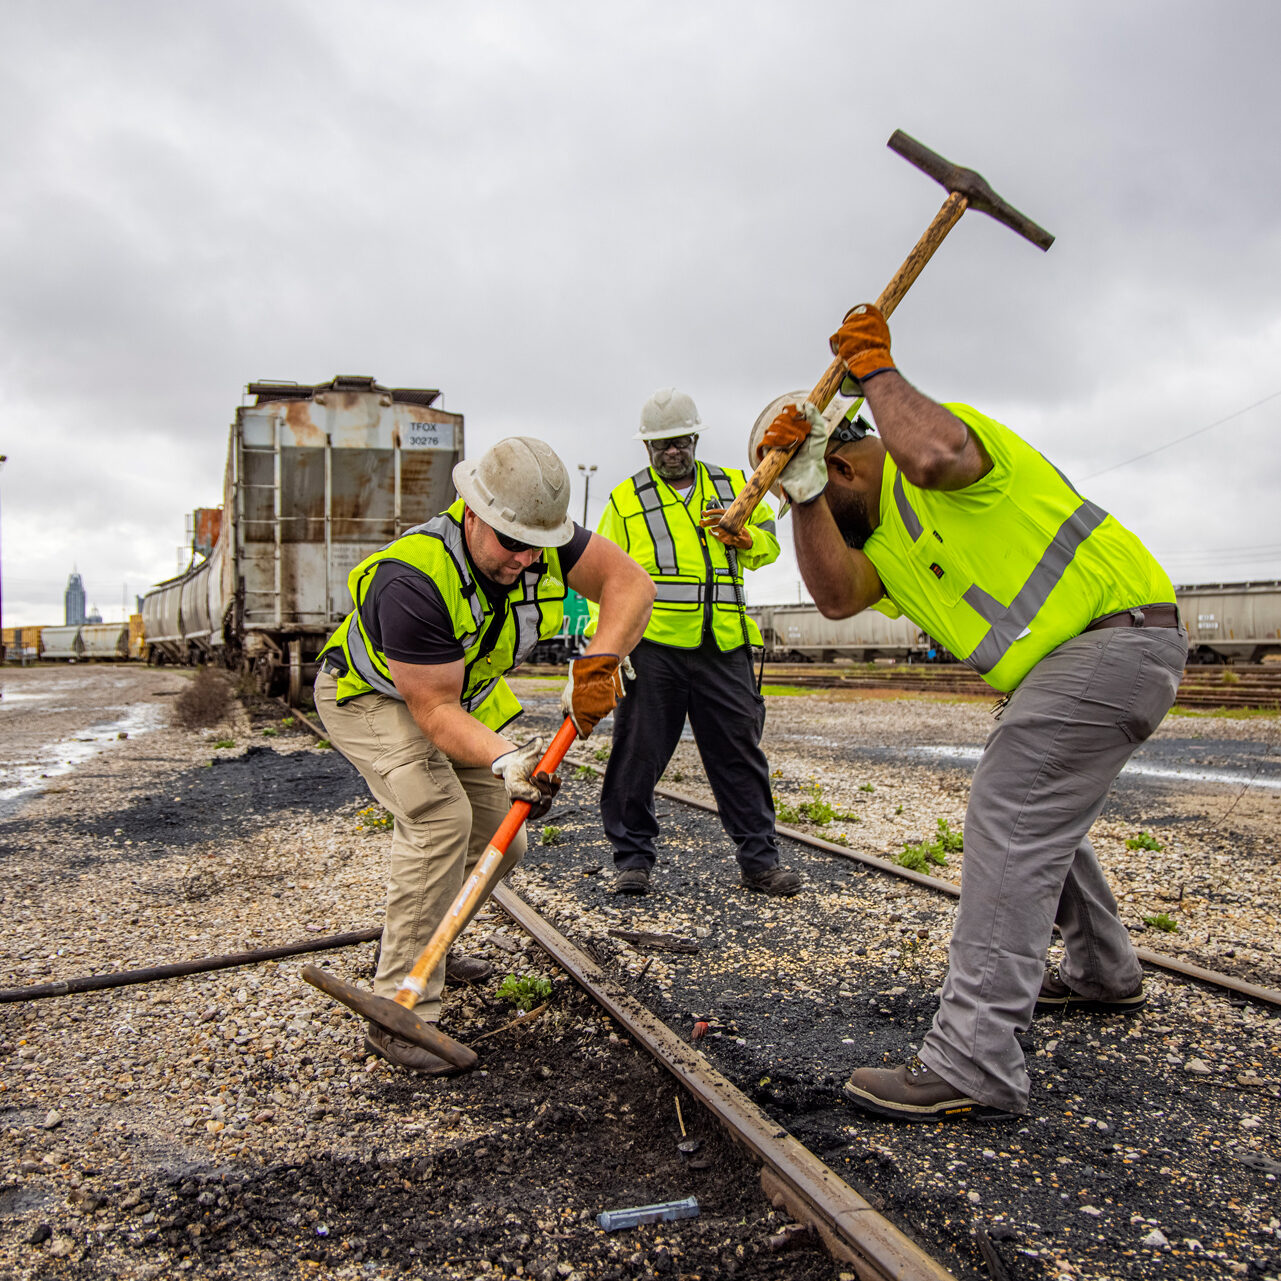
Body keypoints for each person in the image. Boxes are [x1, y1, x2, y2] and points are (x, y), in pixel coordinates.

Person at [752, 304, 1186, 1121]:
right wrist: (802, 495)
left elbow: (936, 450)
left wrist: (874, 371)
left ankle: (973, 1060)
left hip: (1110, 638)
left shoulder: (948, 451)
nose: (803, 516)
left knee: (1010, 809)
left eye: (810, 488)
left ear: (844, 464)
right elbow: (836, 597)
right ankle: (1103, 970)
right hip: (1089, 660)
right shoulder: (879, 541)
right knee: (1037, 808)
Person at [315, 437, 654, 1073]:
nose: (527, 560)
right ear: (474, 513)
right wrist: (506, 757)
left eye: (539, 548)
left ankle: (427, 951)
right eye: (512, 544)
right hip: (370, 696)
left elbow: (630, 586)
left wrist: (599, 663)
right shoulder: (411, 579)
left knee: (508, 837)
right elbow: (435, 712)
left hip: (456, 697)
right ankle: (400, 1010)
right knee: (440, 819)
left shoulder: (538, 539)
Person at [592, 388, 800, 898]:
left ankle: (759, 862)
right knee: (636, 755)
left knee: (738, 755)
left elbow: (770, 544)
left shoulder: (737, 487)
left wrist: (746, 538)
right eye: (660, 444)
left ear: (694, 438)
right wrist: (610, 651)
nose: (671, 451)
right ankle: (632, 861)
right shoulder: (624, 500)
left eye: (679, 441)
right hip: (653, 649)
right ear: (648, 447)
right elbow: (603, 580)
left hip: (722, 645)